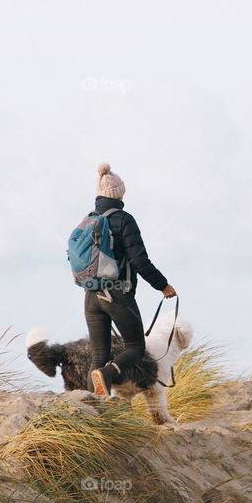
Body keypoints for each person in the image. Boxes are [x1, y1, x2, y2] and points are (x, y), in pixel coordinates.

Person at [85, 162, 176, 397]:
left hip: (90, 295)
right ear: (120, 193)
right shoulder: (124, 220)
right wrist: (163, 286)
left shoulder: (88, 220)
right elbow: (139, 261)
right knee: (135, 347)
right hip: (117, 295)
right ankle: (107, 375)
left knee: (99, 356)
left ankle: (91, 406)